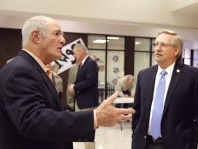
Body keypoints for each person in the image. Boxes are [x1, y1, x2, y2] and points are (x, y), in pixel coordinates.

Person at [0, 15, 135, 149]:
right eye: (57, 34)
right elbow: (33, 120)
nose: (63, 40)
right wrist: (94, 118)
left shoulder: (34, 69)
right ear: (36, 37)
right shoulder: (19, 69)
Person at [132, 30, 198, 149]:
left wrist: (193, 145)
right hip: (144, 144)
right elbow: (137, 111)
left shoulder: (192, 75)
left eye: (163, 45)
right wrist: (136, 133)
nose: (157, 48)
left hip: (177, 144)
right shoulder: (144, 75)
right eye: (156, 44)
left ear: (176, 50)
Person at [67, 43, 99, 149]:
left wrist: (75, 87)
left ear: (81, 52)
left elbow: (90, 81)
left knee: (88, 130)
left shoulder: (91, 63)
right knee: (83, 130)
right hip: (81, 103)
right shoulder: (82, 65)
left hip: (88, 103)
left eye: (75, 53)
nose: (74, 56)